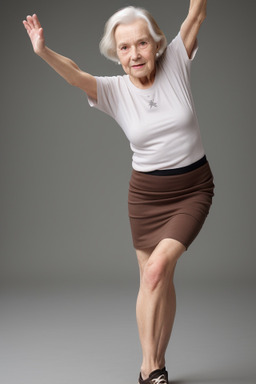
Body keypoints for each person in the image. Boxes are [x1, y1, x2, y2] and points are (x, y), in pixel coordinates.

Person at [23, 2, 214, 383]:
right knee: (157, 278)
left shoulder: (176, 59)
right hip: (145, 197)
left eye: (141, 44)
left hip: (192, 188)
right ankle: (156, 364)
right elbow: (75, 75)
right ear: (117, 54)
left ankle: (147, 370)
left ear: (156, 44)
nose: (134, 54)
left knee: (156, 271)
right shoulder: (113, 91)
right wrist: (42, 50)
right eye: (124, 48)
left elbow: (196, 13)